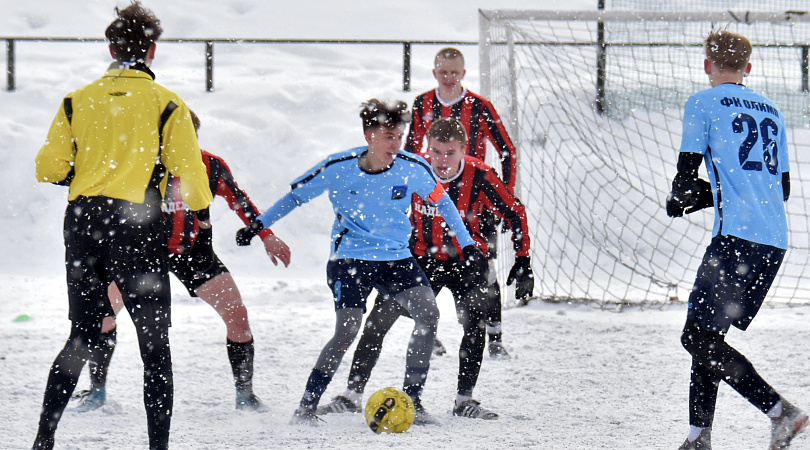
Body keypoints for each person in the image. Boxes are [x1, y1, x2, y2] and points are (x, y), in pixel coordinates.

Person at [235, 99, 485, 425]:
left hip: (396, 258)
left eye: (399, 136)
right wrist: (258, 225)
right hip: (350, 258)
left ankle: (413, 400)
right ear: (369, 135)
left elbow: (445, 203)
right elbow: (296, 196)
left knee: (428, 313)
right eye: (388, 137)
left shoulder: (412, 168)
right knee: (347, 331)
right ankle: (306, 407)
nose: (395, 144)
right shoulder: (338, 167)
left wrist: (467, 245)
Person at [32, 2, 213, 449]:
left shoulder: (77, 100)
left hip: (83, 222)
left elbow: (48, 168)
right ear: (152, 52)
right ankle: (157, 447)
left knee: (81, 335)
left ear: (111, 48)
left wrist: (88, 174)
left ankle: (43, 439)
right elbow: (194, 187)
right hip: (138, 224)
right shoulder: (167, 103)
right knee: (155, 347)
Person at [72, 110, 291, 414]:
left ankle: (245, 397)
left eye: (186, 138)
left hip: (193, 254)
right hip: (142, 255)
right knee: (103, 316)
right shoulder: (140, 164)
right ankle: (97, 393)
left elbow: (238, 199)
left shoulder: (210, 165)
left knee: (238, 320)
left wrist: (266, 235)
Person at [318, 117, 533, 421]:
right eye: (436, 152)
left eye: (450, 153)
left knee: (474, 325)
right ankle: (352, 395)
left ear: (463, 150)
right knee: (378, 320)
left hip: (467, 260)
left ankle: (464, 401)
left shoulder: (481, 176)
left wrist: (523, 260)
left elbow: (515, 212)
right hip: (422, 257)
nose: (442, 161)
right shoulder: (411, 169)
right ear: (426, 148)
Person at [667, 30, 807, 450]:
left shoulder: (703, 102)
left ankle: (782, 413)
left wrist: (684, 199)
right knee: (706, 336)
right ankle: (698, 437)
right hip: (773, 239)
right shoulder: (772, 109)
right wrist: (720, 191)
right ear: (748, 69)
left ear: (707, 65)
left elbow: (685, 178)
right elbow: (780, 188)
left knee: (697, 338)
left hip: (736, 239)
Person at [406, 47, 522, 358]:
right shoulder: (422, 104)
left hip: (473, 203)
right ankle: (428, 332)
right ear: (434, 73)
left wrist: (503, 194)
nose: (448, 78)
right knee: (422, 267)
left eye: (454, 73)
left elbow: (507, 150)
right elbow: (408, 151)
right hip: (431, 201)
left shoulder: (480, 107)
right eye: (443, 72)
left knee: (486, 269)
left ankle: (495, 337)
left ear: (463, 74)